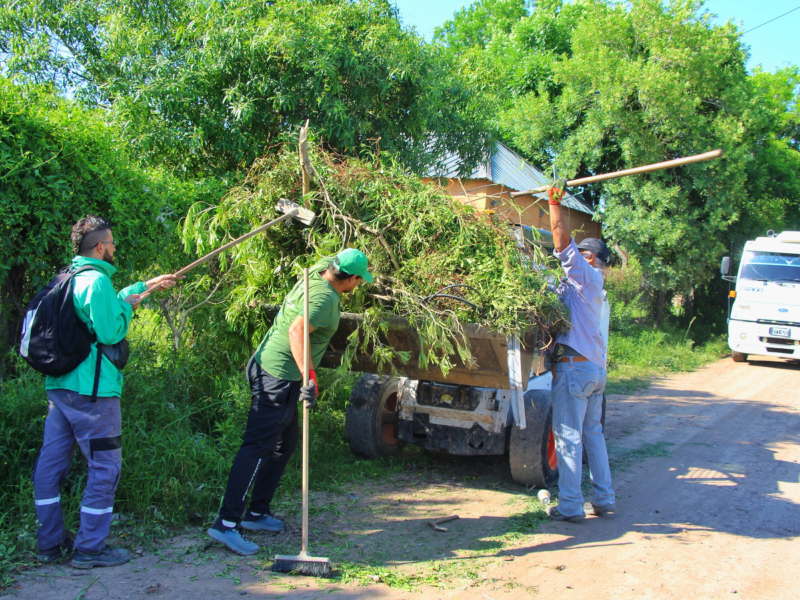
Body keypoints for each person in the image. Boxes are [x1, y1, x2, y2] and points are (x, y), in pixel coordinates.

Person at [34, 215, 181, 567]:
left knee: (49, 467)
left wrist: (144, 287)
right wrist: (128, 310)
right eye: (112, 242)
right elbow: (110, 331)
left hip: (60, 389)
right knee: (105, 467)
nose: (114, 247)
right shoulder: (96, 281)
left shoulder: (67, 278)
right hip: (93, 394)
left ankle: (49, 543)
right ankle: (90, 549)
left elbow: (99, 308)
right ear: (100, 246)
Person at [208, 248, 372, 556]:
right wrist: (309, 375)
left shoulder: (318, 271)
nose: (359, 285)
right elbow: (298, 332)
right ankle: (226, 524)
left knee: (284, 445)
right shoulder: (324, 300)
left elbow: (323, 254)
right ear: (348, 279)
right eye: (359, 280)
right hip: (278, 375)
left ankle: (257, 512)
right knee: (257, 448)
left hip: (270, 366)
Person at [545, 180, 616, 522]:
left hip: (575, 370)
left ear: (589, 258)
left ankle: (571, 506)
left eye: (579, 253)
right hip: (595, 371)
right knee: (593, 435)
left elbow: (561, 243)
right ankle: (604, 498)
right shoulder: (595, 287)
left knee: (568, 438)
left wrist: (554, 204)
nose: (571, 258)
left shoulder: (585, 275)